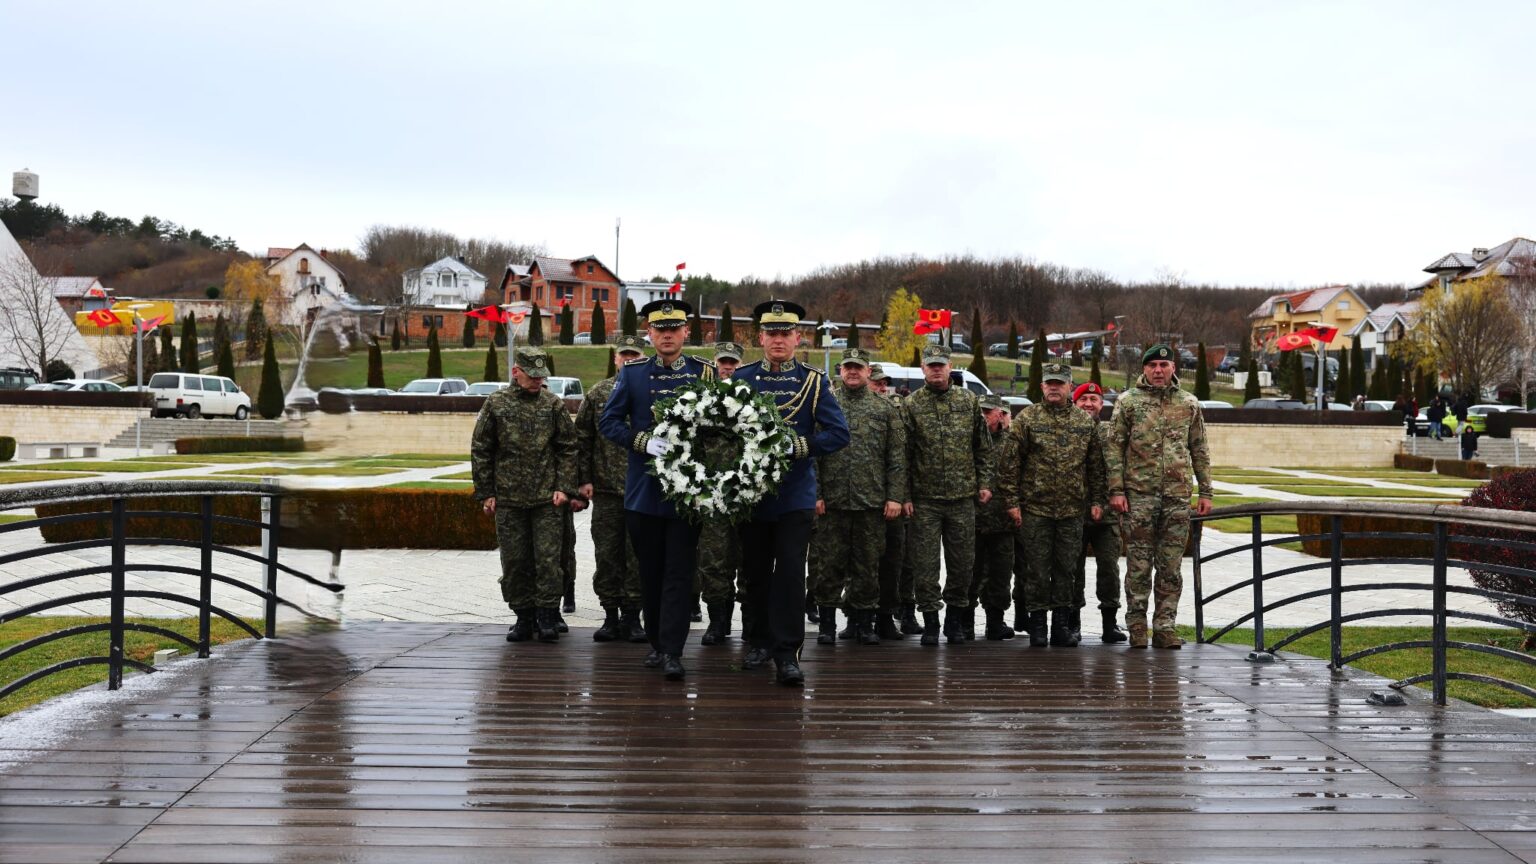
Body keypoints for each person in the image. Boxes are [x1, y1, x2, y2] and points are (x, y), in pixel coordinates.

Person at [598, 299, 716, 681]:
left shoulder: (705, 373)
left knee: (680, 572)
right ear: (649, 333)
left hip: (688, 492)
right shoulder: (632, 375)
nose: (666, 334)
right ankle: (655, 642)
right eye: (659, 328)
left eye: (674, 328)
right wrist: (641, 441)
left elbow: (723, 426)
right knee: (649, 573)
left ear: (685, 332)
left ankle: (673, 650)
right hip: (644, 493)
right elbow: (609, 421)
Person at [734, 300, 850, 685]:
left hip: (795, 495)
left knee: (788, 574)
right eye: (772, 333)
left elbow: (838, 434)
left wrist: (799, 447)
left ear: (798, 338)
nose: (778, 340)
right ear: (760, 337)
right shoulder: (741, 379)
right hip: (751, 494)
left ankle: (788, 653)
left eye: (786, 333)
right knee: (753, 573)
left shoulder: (814, 382)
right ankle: (757, 641)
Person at [1105, 345, 1213, 649]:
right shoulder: (1128, 403)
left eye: (1163, 364)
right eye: (1152, 365)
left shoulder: (1189, 403)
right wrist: (1116, 490)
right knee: (1138, 565)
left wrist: (1206, 490)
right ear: (1144, 368)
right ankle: (1137, 626)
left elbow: (1200, 449)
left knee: (1171, 566)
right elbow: (1114, 448)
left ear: (1173, 367)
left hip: (1177, 498)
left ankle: (1165, 626)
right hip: (1139, 497)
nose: (1158, 370)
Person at [471, 347, 578, 644]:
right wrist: (486, 492)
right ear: (516, 371)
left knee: (547, 560)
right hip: (509, 499)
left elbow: (567, 448)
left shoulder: (553, 404)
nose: (536, 381)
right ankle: (523, 616)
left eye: (541, 376)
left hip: (547, 499)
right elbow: (481, 448)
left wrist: (563, 487)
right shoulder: (496, 404)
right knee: (515, 561)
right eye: (531, 375)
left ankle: (547, 616)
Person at [1002, 364, 1105, 648]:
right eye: (1050, 383)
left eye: (1060, 383)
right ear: (1042, 387)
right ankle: (1037, 627)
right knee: (1036, 569)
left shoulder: (1084, 423)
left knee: (1066, 570)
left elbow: (1095, 467)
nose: (1054, 388)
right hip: (1036, 510)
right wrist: (1011, 502)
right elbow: (1010, 464)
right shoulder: (1027, 419)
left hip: (1072, 511)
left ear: (1070, 386)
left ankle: (1060, 626)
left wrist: (1097, 501)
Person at [809, 347, 906, 646]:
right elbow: (812, 454)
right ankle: (826, 625)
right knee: (829, 565)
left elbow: (897, 456)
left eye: (858, 367)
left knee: (867, 565)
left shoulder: (884, 408)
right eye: (847, 367)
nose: (853, 371)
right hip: (833, 502)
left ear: (868, 371)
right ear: (840, 371)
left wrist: (894, 497)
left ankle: (861, 624)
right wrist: (817, 493)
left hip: (871, 502)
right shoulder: (825, 405)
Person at [903, 344, 993, 646]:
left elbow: (983, 448)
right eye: (931, 365)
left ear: (950, 366)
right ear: (923, 368)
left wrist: (985, 483)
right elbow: (903, 455)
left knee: (962, 565)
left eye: (941, 364)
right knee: (925, 566)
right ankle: (930, 621)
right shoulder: (912, 404)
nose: (937, 369)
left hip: (962, 499)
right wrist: (905, 496)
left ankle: (954, 621)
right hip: (925, 500)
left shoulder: (968, 401)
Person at [575, 334, 648, 643]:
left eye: (634, 355)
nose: (629, 360)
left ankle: (633, 617)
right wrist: (584, 479)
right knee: (607, 555)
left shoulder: (650, 389)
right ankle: (610, 615)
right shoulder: (598, 393)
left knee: (638, 556)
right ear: (616, 358)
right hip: (606, 491)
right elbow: (582, 439)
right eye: (624, 355)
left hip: (643, 489)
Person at [698, 341, 746, 646]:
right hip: (712, 495)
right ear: (715, 364)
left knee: (749, 562)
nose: (727, 368)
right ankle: (717, 621)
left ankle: (750, 622)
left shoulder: (752, 398)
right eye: (723, 363)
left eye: (733, 364)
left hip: (746, 495)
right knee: (714, 561)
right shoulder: (701, 399)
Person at [1072, 381, 1126, 643]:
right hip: (1073, 513)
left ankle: (1110, 623)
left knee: (1109, 569)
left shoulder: (1112, 434)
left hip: (1106, 514)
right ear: (1075, 402)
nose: (1088, 404)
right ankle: (1072, 623)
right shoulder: (1069, 431)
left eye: (1094, 399)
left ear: (1101, 405)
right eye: (1083, 399)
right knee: (1072, 570)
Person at [969, 393, 1018, 640]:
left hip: (1003, 521)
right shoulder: (968, 440)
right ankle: (964, 620)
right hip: (972, 520)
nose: (983, 417)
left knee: (1000, 575)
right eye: (979, 412)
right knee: (969, 572)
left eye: (987, 412)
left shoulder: (1012, 442)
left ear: (1000, 414)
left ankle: (995, 621)